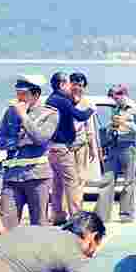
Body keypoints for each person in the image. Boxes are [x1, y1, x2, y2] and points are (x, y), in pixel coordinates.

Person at [0, 74, 59, 230]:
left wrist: (24, 117)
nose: (19, 97)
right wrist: (18, 141)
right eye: (18, 93)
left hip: (37, 176)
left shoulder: (49, 113)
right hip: (12, 177)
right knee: (7, 224)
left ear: (36, 94)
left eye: (23, 93)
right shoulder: (10, 112)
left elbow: (41, 138)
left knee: (39, 224)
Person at [94, 85, 136, 223]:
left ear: (123, 94)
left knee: (128, 182)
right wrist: (110, 128)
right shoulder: (116, 108)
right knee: (107, 180)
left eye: (116, 97)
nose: (115, 100)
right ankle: (102, 215)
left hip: (128, 147)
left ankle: (126, 215)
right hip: (114, 146)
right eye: (113, 97)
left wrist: (126, 123)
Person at [46, 72, 95, 225]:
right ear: (61, 85)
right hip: (62, 148)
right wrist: (91, 110)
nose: (72, 86)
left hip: (51, 148)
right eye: (69, 84)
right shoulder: (62, 101)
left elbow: (69, 110)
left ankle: (58, 216)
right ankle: (76, 219)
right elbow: (80, 116)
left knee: (58, 183)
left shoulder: (52, 99)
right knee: (72, 183)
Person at [65, 73, 100, 219]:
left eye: (80, 85)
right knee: (67, 181)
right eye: (75, 84)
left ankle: (77, 211)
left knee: (80, 179)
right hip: (65, 147)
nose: (77, 87)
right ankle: (68, 212)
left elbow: (89, 127)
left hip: (81, 146)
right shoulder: (64, 100)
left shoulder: (87, 103)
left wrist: (93, 147)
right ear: (69, 84)